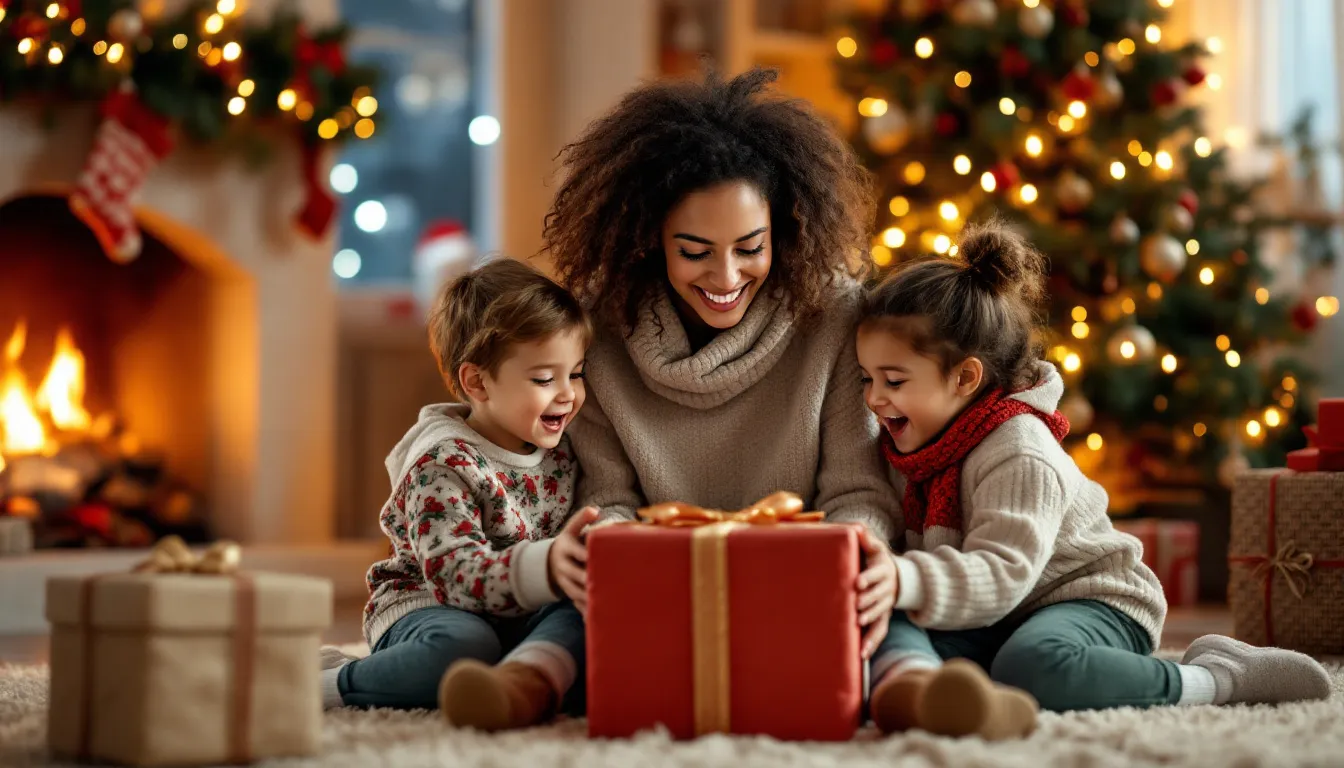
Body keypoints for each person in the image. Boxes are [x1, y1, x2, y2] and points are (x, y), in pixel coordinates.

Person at [856, 219, 1333, 740]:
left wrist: (907, 578)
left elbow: (1003, 570)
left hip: (1088, 598)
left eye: (893, 380)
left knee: (1033, 666)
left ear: (965, 377)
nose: (873, 398)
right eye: (867, 378)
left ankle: (1216, 677)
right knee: (883, 618)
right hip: (994, 613)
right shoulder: (911, 447)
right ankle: (924, 694)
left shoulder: (1018, 450)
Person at [541, 67, 901, 651]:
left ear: (782, 232)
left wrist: (846, 566)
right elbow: (609, 500)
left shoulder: (834, 316)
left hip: (805, 586)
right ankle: (519, 685)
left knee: (892, 635)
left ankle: (912, 689)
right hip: (657, 593)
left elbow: (857, 492)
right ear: (649, 239)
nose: (727, 277)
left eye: (750, 248)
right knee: (563, 639)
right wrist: (620, 565)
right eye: (695, 252)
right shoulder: (596, 332)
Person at [320, 258, 597, 732]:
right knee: (464, 645)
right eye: (545, 379)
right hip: (432, 606)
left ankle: (520, 683)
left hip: (520, 614)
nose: (568, 394)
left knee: (591, 618)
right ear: (477, 383)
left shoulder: (563, 447)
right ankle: (332, 681)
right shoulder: (440, 464)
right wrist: (546, 565)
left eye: (576, 373)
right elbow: (454, 575)